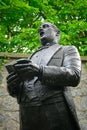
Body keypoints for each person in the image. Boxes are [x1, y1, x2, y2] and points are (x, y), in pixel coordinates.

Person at [6, 22, 81, 130]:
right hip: (27, 114)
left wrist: (40, 70)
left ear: (57, 34)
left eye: (46, 26)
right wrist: (12, 86)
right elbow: (20, 90)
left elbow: (74, 75)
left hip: (55, 112)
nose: (41, 28)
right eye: (39, 28)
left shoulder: (67, 50)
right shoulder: (30, 57)